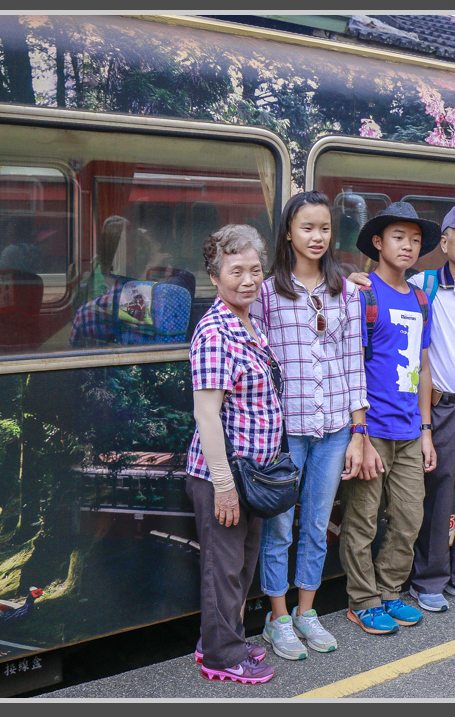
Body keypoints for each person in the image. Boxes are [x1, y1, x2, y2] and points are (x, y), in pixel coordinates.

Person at [348, 203, 455, 612]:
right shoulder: (421, 285)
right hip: (438, 409)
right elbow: (377, 284)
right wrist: (350, 279)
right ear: (443, 243)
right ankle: (427, 581)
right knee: (436, 496)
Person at [250, 191, 369, 660]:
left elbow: (353, 365)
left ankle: (306, 613)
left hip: (335, 427)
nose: (316, 237)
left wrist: (359, 432)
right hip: (285, 432)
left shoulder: (347, 291)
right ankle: (276, 618)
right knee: (279, 528)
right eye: (307, 228)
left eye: (323, 229)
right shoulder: (266, 292)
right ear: (288, 233)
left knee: (317, 526)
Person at [185, 223, 280, 684]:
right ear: (215, 277)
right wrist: (223, 484)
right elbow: (207, 415)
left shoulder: (253, 322)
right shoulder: (215, 331)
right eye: (236, 270)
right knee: (223, 569)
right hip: (222, 475)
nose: (248, 279)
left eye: (255, 270)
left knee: (240, 565)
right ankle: (222, 658)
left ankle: (222, 640)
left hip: (253, 474)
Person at [339, 201, 438, 636]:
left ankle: (391, 591)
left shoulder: (420, 298)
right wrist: (357, 433)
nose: (409, 246)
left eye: (415, 240)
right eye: (399, 237)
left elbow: (424, 364)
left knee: (409, 516)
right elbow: (349, 362)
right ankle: (362, 601)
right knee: (362, 519)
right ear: (378, 243)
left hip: (410, 430)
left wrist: (427, 427)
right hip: (373, 429)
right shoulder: (363, 294)